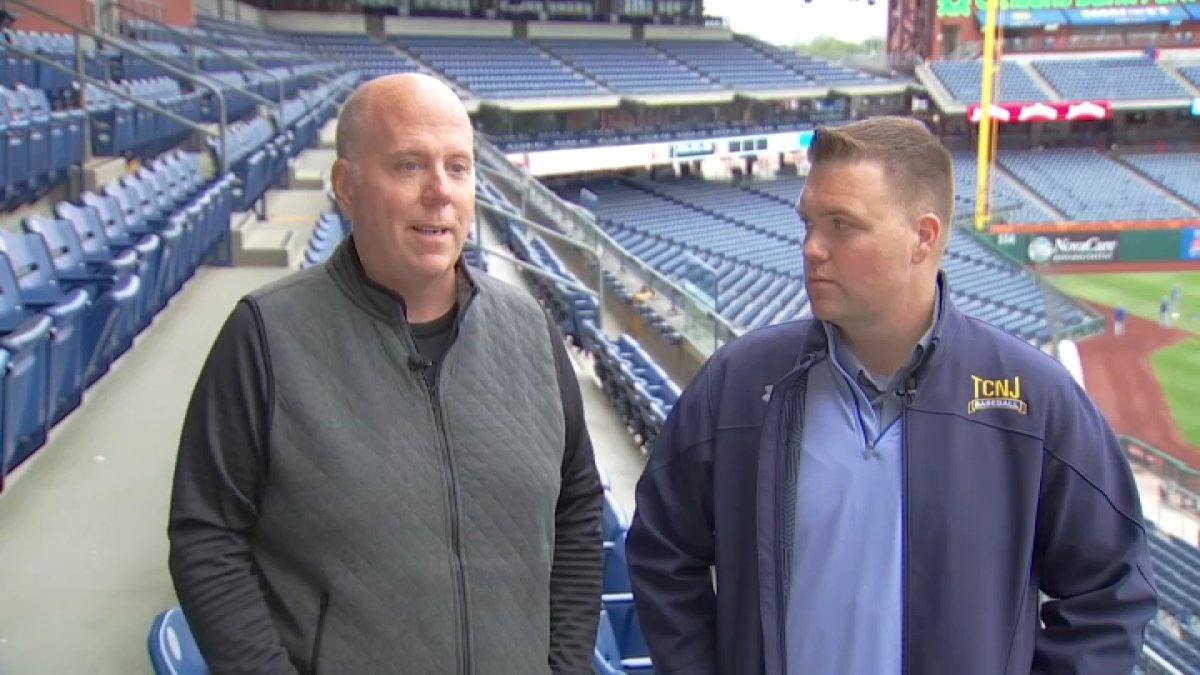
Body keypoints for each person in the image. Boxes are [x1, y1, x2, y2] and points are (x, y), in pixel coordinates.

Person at [624, 117, 1157, 675]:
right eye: (808, 223)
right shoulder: (738, 383)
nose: (812, 249)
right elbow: (663, 548)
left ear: (922, 237)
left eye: (841, 225)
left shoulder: (1033, 399)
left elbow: (1112, 588)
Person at [167, 73, 604, 674]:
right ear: (346, 186)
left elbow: (577, 505)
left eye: (459, 167)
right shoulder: (266, 336)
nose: (440, 192)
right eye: (408, 166)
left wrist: (563, 666)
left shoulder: (529, 329)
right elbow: (207, 537)